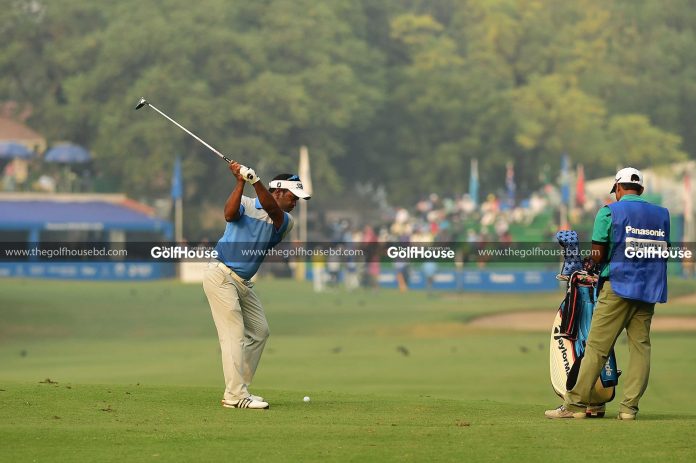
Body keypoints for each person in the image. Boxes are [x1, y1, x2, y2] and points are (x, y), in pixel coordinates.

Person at [545, 167, 670, 420]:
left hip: (618, 286)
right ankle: (629, 409)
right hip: (649, 288)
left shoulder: (609, 211)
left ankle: (575, 405)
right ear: (641, 190)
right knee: (641, 348)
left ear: (619, 188)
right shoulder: (662, 214)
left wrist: (590, 266)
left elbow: (599, 254)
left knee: (596, 347)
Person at [203, 162, 310, 409]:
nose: (295, 203)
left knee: (260, 332)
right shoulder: (246, 203)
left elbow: (273, 212)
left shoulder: (286, 221)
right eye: (293, 197)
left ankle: (241, 388)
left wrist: (255, 180)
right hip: (220, 275)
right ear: (279, 192)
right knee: (234, 336)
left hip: (243, 283)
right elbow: (229, 214)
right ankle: (235, 396)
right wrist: (241, 182)